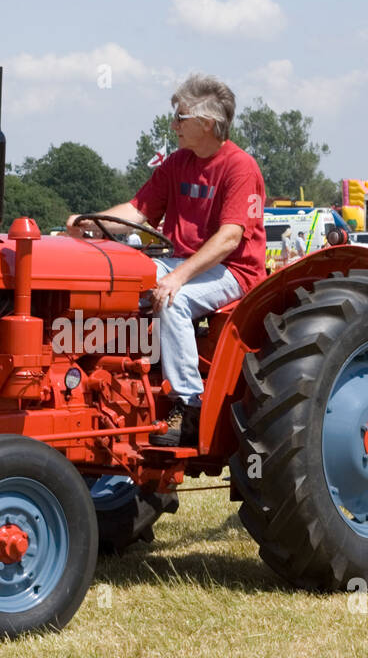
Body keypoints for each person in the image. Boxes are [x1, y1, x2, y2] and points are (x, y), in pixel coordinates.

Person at [65, 73, 266, 447]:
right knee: (120, 283)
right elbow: (137, 211)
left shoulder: (239, 167)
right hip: (181, 261)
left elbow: (229, 238)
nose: (173, 124)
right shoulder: (178, 163)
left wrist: (177, 279)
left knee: (171, 298)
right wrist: (91, 224)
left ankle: (189, 405)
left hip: (233, 271)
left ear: (206, 123)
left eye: (180, 117)